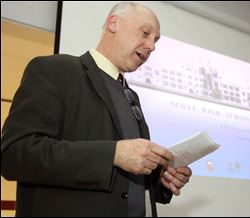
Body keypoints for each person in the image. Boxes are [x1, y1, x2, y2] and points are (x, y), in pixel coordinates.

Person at [1, 2, 192, 217]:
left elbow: (126, 185)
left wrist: (160, 181)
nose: (151, 46)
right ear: (113, 23)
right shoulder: (54, 70)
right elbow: (15, 155)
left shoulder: (131, 96)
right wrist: (113, 154)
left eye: (155, 41)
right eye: (146, 33)